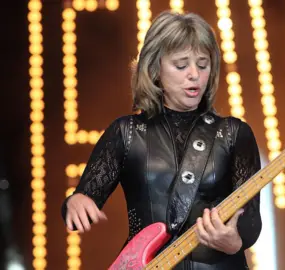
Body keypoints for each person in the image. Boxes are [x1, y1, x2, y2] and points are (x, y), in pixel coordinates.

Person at [60, 10, 262, 270]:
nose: (194, 75)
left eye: (203, 65)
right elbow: (83, 202)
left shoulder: (234, 133)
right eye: (181, 65)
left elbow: (252, 217)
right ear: (155, 69)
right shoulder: (126, 132)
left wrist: (234, 240)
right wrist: (74, 203)